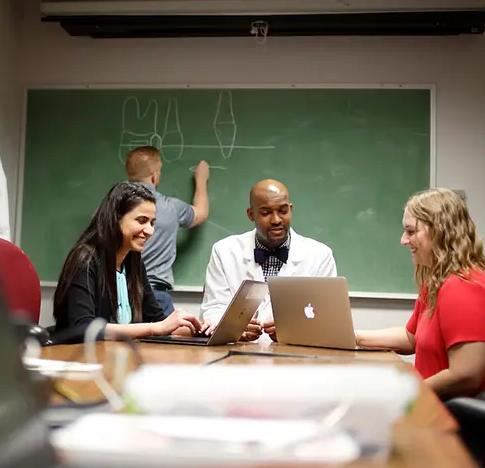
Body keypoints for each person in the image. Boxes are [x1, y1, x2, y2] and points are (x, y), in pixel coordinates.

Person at [355, 188, 485, 400]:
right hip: (456, 408)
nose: (403, 240)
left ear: (439, 232)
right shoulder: (438, 280)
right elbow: (411, 337)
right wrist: (353, 337)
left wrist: (405, 393)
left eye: (411, 232)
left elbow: (465, 375)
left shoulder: (463, 287)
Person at [52, 182, 204, 344]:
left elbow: (157, 320)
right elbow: (83, 328)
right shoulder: (85, 259)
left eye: (152, 222)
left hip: (119, 359)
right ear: (116, 218)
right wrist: (154, 328)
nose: (150, 231)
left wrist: (199, 329)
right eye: (141, 220)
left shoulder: (134, 263)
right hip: (82, 361)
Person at [200, 179, 337, 342]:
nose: (276, 220)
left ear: (291, 210)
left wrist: (295, 331)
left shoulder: (320, 255)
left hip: (295, 359)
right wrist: (233, 327)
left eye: (283, 211)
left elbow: (329, 319)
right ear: (251, 214)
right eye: (266, 212)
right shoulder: (224, 251)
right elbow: (212, 310)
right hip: (236, 357)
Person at [125, 145, 210, 316]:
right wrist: (201, 180)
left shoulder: (113, 205)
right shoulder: (169, 207)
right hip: (154, 294)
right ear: (155, 175)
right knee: (163, 341)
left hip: (117, 292)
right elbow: (201, 213)